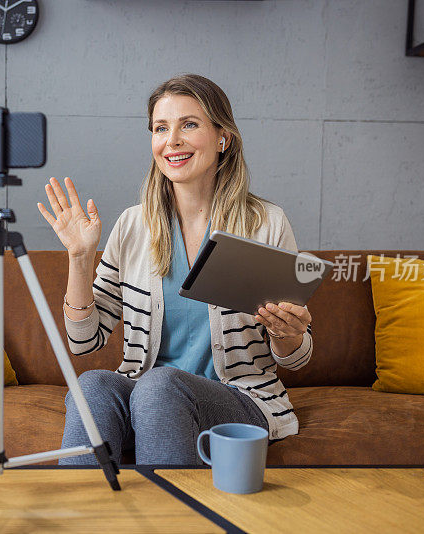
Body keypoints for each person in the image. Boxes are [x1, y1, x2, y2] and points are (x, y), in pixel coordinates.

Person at [37, 73, 313, 466]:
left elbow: (296, 357)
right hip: (144, 394)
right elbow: (85, 341)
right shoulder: (133, 225)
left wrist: (288, 334)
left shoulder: (265, 223)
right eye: (161, 128)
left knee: (160, 386)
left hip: (238, 398)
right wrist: (80, 259)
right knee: (93, 385)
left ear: (223, 138)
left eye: (189, 124)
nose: (172, 141)